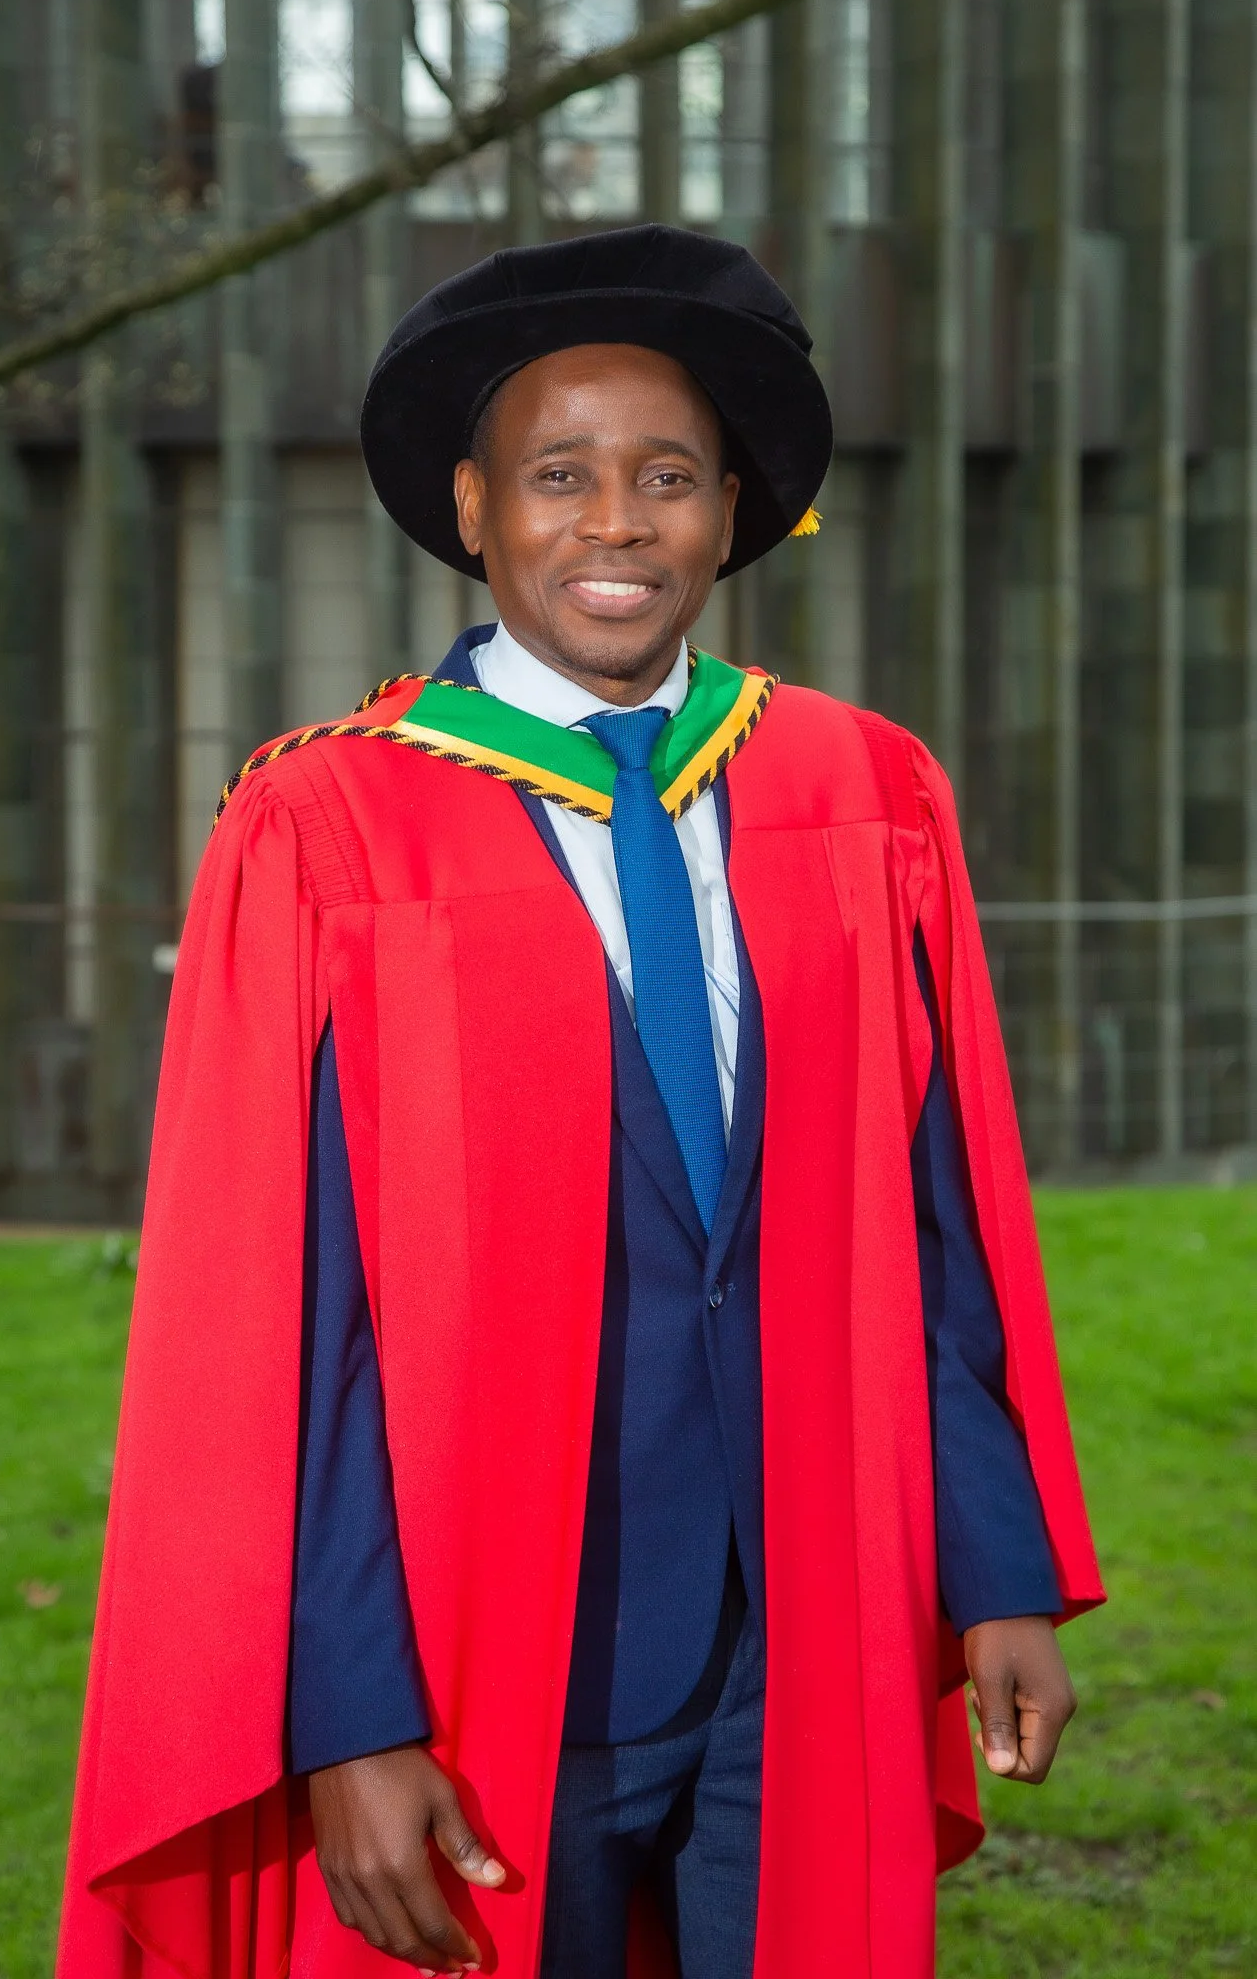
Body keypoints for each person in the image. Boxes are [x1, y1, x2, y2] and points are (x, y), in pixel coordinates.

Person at [57, 225, 1103, 1979]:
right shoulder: (330, 831)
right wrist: (347, 1715)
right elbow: (283, 1332)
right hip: (483, 1659)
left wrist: (994, 1567)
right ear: (471, 508)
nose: (615, 523)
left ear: (732, 512)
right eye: (560, 475)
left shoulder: (859, 788)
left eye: (667, 478)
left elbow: (931, 1230)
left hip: (812, 1624)